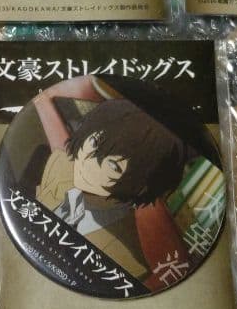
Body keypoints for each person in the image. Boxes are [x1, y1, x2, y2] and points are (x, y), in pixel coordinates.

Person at [35, 98, 193, 286]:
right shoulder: (60, 164)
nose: (89, 163)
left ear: (138, 183)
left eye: (113, 166)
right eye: (94, 142)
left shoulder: (127, 260)